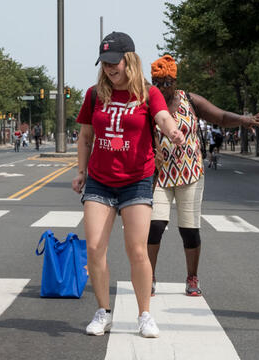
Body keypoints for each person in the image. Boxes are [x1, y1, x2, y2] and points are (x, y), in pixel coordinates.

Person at [71, 32, 183, 338]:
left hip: (137, 179)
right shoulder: (94, 94)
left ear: (129, 60)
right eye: (104, 63)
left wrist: (172, 131)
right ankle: (103, 311)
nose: (109, 68)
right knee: (94, 247)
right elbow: (84, 137)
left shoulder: (148, 94)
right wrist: (81, 172)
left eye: (113, 62)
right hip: (100, 180)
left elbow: (162, 117)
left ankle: (145, 314)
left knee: (136, 250)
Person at [148, 54, 259, 297]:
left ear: (175, 80)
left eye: (167, 81)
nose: (163, 87)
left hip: (190, 173)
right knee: (155, 226)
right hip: (158, 175)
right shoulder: (148, 102)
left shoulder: (190, 100)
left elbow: (220, 116)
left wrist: (244, 120)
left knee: (189, 229)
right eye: (158, 82)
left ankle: (192, 277)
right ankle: (148, 276)